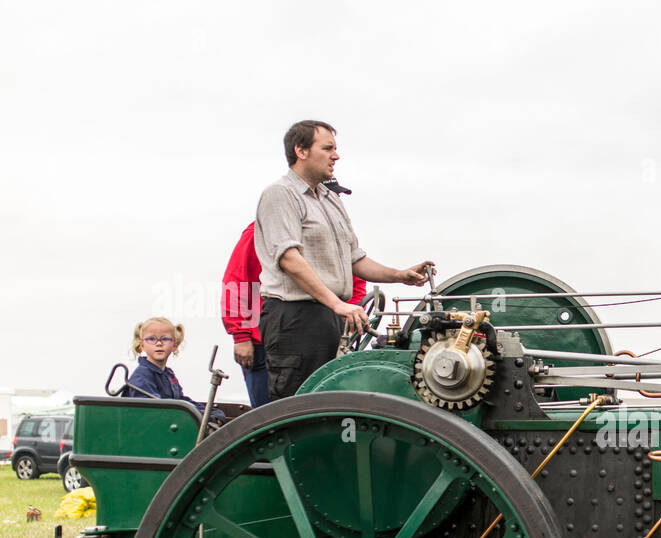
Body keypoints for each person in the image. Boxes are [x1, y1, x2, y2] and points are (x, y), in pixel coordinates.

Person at [254, 120, 436, 400]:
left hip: (329, 316)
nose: (336, 156)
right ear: (300, 151)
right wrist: (339, 304)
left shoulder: (330, 198)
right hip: (294, 318)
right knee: (298, 406)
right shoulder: (280, 194)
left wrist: (399, 275)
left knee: (328, 402)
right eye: (327, 148)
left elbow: (355, 258)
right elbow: (289, 259)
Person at [221, 220, 366, 408]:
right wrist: (241, 336)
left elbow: (356, 284)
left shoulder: (330, 234)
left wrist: (342, 321)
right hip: (264, 342)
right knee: (269, 414)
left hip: (320, 341)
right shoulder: (262, 230)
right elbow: (236, 282)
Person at [126, 317, 226, 422]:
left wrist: (210, 413)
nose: (159, 343)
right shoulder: (141, 376)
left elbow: (180, 401)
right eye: (151, 339)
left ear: (174, 345)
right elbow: (153, 410)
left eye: (165, 339)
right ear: (142, 345)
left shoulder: (168, 374)